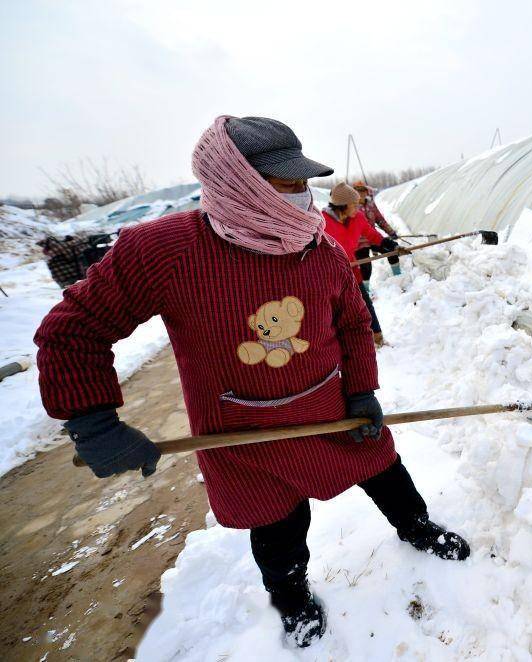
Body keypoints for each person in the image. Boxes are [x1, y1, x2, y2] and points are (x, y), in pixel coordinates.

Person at [33, 116, 469, 649]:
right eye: (284, 184)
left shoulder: (319, 247)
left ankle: (417, 527)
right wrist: (93, 420)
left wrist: (362, 390)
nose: (300, 198)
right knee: (277, 525)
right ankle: (291, 597)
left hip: (333, 410)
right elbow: (75, 328)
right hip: (242, 434)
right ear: (236, 181)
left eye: (301, 184)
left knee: (384, 469)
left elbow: (353, 324)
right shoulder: (164, 250)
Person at [321, 183, 397, 347]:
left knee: (365, 304)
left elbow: (371, 234)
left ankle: (377, 338)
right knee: (336, 311)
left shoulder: (358, 218)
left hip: (352, 271)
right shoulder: (323, 222)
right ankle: (339, 344)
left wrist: (388, 244)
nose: (358, 207)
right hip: (330, 275)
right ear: (342, 205)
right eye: (354, 204)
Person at [352, 181, 403, 279]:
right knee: (365, 266)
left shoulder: (371, 205)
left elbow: (380, 220)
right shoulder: (350, 207)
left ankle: (399, 277)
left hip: (373, 238)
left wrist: (391, 232)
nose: (361, 194)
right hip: (359, 242)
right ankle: (365, 291)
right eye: (358, 191)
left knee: (391, 250)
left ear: (367, 192)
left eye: (363, 191)